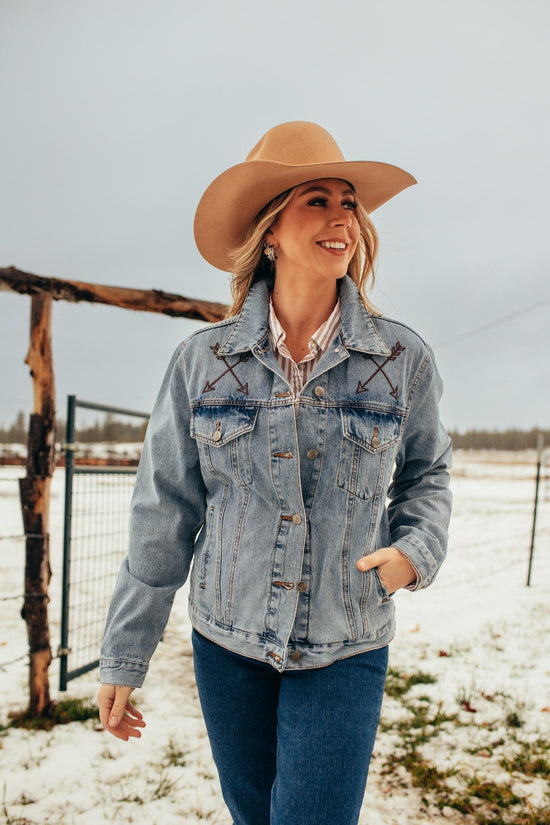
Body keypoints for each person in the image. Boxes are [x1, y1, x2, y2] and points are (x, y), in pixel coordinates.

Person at [98, 121, 452, 825]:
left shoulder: (402, 359)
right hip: (227, 641)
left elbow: (428, 474)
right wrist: (124, 654)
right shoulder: (202, 362)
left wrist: (415, 553)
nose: (342, 217)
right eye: (317, 200)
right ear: (271, 230)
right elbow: (163, 511)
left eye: (348, 201)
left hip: (345, 641)